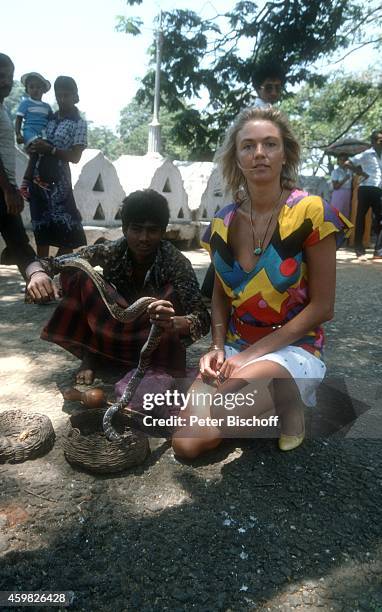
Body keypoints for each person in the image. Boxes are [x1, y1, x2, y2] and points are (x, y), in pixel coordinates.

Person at [172, 106, 352, 460]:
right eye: (248, 146)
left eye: (270, 144)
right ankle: (262, 405)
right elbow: (222, 293)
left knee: (224, 407)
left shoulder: (311, 212)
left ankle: (288, 403)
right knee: (187, 444)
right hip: (238, 347)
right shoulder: (222, 223)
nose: (259, 154)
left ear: (285, 154)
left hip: (293, 348)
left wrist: (249, 358)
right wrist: (219, 348)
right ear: (236, 158)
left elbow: (322, 306)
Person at [26, 189, 210, 385]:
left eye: (152, 230)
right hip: (114, 329)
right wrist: (36, 273)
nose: (144, 238)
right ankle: (93, 355)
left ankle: (150, 365)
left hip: (152, 335)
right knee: (81, 273)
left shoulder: (176, 262)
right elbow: (54, 263)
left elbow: (203, 317)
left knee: (170, 295)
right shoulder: (112, 250)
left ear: (163, 232)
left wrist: (175, 322)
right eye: (136, 229)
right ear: (124, 229)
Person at [200, 61, 286, 301]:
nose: (273, 92)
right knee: (230, 238)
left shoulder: (275, 116)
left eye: (278, 87)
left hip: (261, 189)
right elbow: (240, 154)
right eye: (269, 87)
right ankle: (216, 292)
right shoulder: (251, 116)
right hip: (246, 188)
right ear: (258, 88)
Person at [27, 75, 87, 258]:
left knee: (69, 231)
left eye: (66, 96)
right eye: (59, 96)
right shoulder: (48, 118)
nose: (62, 100)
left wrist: (51, 149)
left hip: (59, 183)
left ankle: (56, 270)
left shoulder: (79, 123)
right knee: (41, 228)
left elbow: (76, 156)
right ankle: (42, 276)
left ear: (75, 96)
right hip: (38, 180)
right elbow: (33, 144)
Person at [0, 53, 36, 278]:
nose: (5, 81)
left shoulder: (3, 108)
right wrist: (7, 189)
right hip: (2, 188)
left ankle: (41, 286)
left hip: (6, 188)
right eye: (1, 76)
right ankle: (40, 285)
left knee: (20, 244)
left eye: (9, 77)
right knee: (20, 244)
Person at [345, 131, 382, 263]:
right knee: (360, 218)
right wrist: (360, 172)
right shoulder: (367, 154)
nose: (381, 141)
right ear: (372, 141)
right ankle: (359, 250)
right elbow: (347, 163)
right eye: (378, 139)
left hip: (379, 190)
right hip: (365, 188)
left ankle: (379, 251)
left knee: (380, 220)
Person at [15, 71, 53, 199]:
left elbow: (52, 120)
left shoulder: (47, 107)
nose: (35, 89)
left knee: (40, 156)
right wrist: (18, 134)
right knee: (35, 156)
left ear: (43, 90)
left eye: (38, 87)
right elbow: (19, 119)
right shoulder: (25, 103)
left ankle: (33, 180)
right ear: (27, 89)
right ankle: (28, 184)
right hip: (29, 132)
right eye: (32, 87)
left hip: (42, 135)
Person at [330, 153, 353, 218]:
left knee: (346, 215)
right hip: (339, 194)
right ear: (338, 161)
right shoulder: (335, 172)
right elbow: (335, 187)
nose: (343, 161)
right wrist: (345, 179)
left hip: (348, 194)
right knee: (337, 214)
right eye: (341, 160)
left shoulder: (350, 171)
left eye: (345, 160)